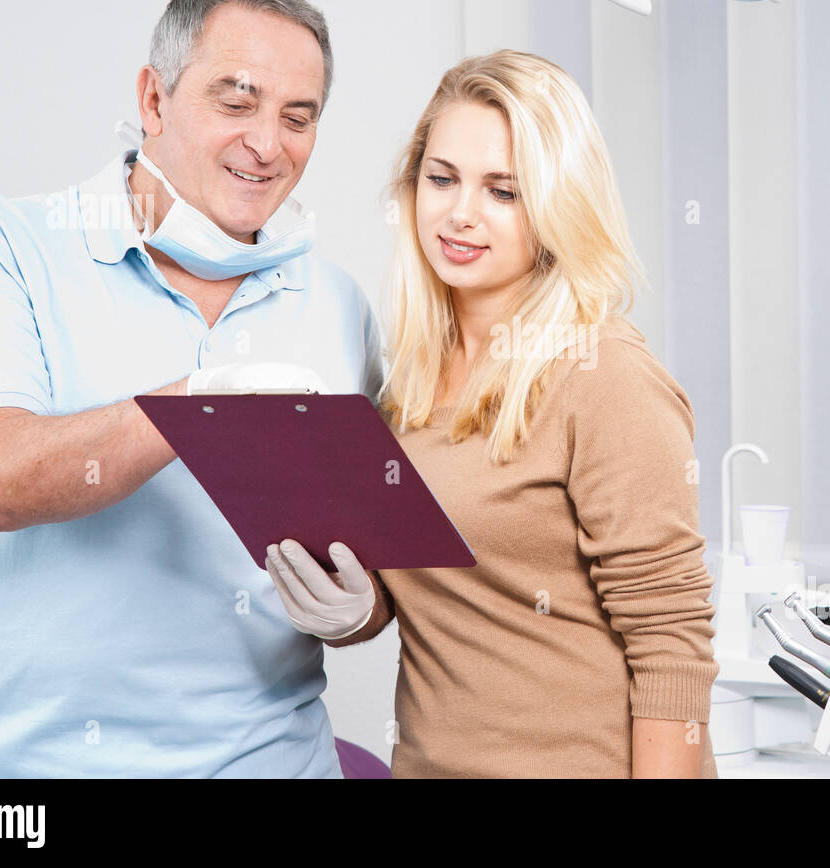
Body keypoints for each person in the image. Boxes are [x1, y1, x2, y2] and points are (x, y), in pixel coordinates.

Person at [0, 0, 382, 777]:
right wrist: (195, 407)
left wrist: (358, 613)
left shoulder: (336, 305)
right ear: (153, 99)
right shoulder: (0, 248)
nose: (268, 145)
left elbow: (370, 556)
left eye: (298, 118)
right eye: (238, 102)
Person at [264, 50, 719, 778]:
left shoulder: (603, 375)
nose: (461, 213)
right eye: (441, 179)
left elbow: (671, 646)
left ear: (556, 206)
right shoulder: (405, 386)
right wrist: (359, 608)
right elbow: (446, 593)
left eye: (504, 191)